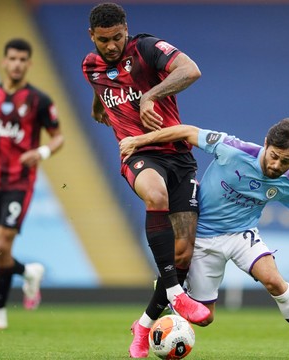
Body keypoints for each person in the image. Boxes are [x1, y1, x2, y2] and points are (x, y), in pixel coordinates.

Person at [120, 118, 289, 360]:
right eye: (274, 155)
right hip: (202, 238)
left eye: (286, 161)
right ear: (266, 144)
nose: (276, 165)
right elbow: (187, 131)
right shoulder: (232, 148)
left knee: (274, 282)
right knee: (205, 318)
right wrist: (139, 140)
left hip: (242, 236)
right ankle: (168, 296)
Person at [81, 3, 210, 357]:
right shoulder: (89, 66)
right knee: (155, 194)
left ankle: (142, 325)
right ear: (92, 36)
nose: (111, 46)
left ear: (127, 29)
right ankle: (177, 296)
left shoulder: (147, 48)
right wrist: (100, 111)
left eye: (117, 37)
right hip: (138, 154)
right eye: (104, 40)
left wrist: (150, 96)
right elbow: (100, 91)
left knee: (182, 254)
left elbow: (192, 70)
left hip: (179, 156)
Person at [0, 38, 65, 330]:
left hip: (20, 183)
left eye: (23, 59)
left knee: (2, 245)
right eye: (13, 59)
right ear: (4, 61)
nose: (17, 64)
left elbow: (58, 136)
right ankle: (28, 271)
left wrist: (41, 151)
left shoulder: (39, 101)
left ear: (29, 64)